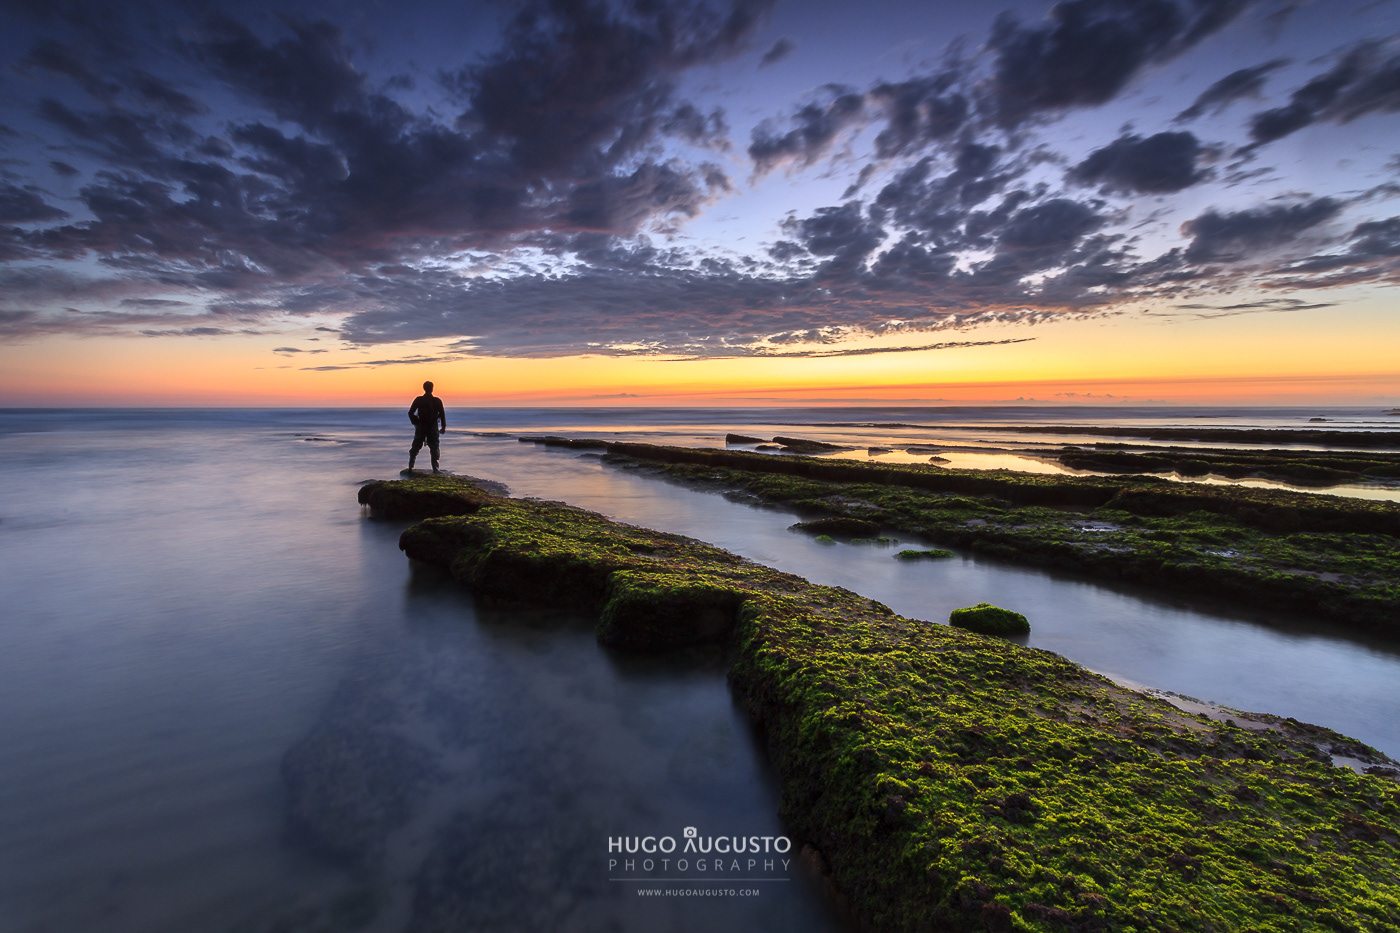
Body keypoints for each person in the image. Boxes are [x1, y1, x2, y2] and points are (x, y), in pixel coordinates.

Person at [408, 381, 447, 472]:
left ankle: (411, 467)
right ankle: (435, 469)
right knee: (434, 447)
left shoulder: (419, 399)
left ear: (424, 388)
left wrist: (416, 422)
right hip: (432, 426)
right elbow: (442, 414)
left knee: (416, 446)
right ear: (432, 388)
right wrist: (443, 426)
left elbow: (410, 413)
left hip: (421, 426)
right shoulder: (437, 400)